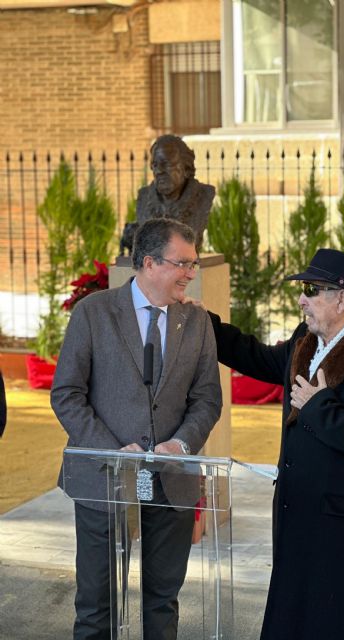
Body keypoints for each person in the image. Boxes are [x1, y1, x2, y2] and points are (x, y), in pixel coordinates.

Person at [204, 248, 344, 640]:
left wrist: (319, 407)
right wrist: (203, 324)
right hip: (299, 513)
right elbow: (258, 357)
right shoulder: (307, 341)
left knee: (338, 623)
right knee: (296, 619)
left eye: (312, 290)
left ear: (341, 298)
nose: (302, 299)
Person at [51, 217, 222, 640]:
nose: (190, 274)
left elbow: (207, 399)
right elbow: (67, 393)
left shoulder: (197, 322)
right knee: (96, 606)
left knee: (162, 603)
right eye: (182, 263)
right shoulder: (94, 313)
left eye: (193, 265)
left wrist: (182, 443)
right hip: (103, 481)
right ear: (148, 262)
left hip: (172, 483)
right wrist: (112, 451)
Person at [135, 135, 215, 252]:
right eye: (155, 165)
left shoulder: (204, 195)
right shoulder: (144, 197)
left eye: (166, 163)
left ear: (186, 168)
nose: (159, 171)